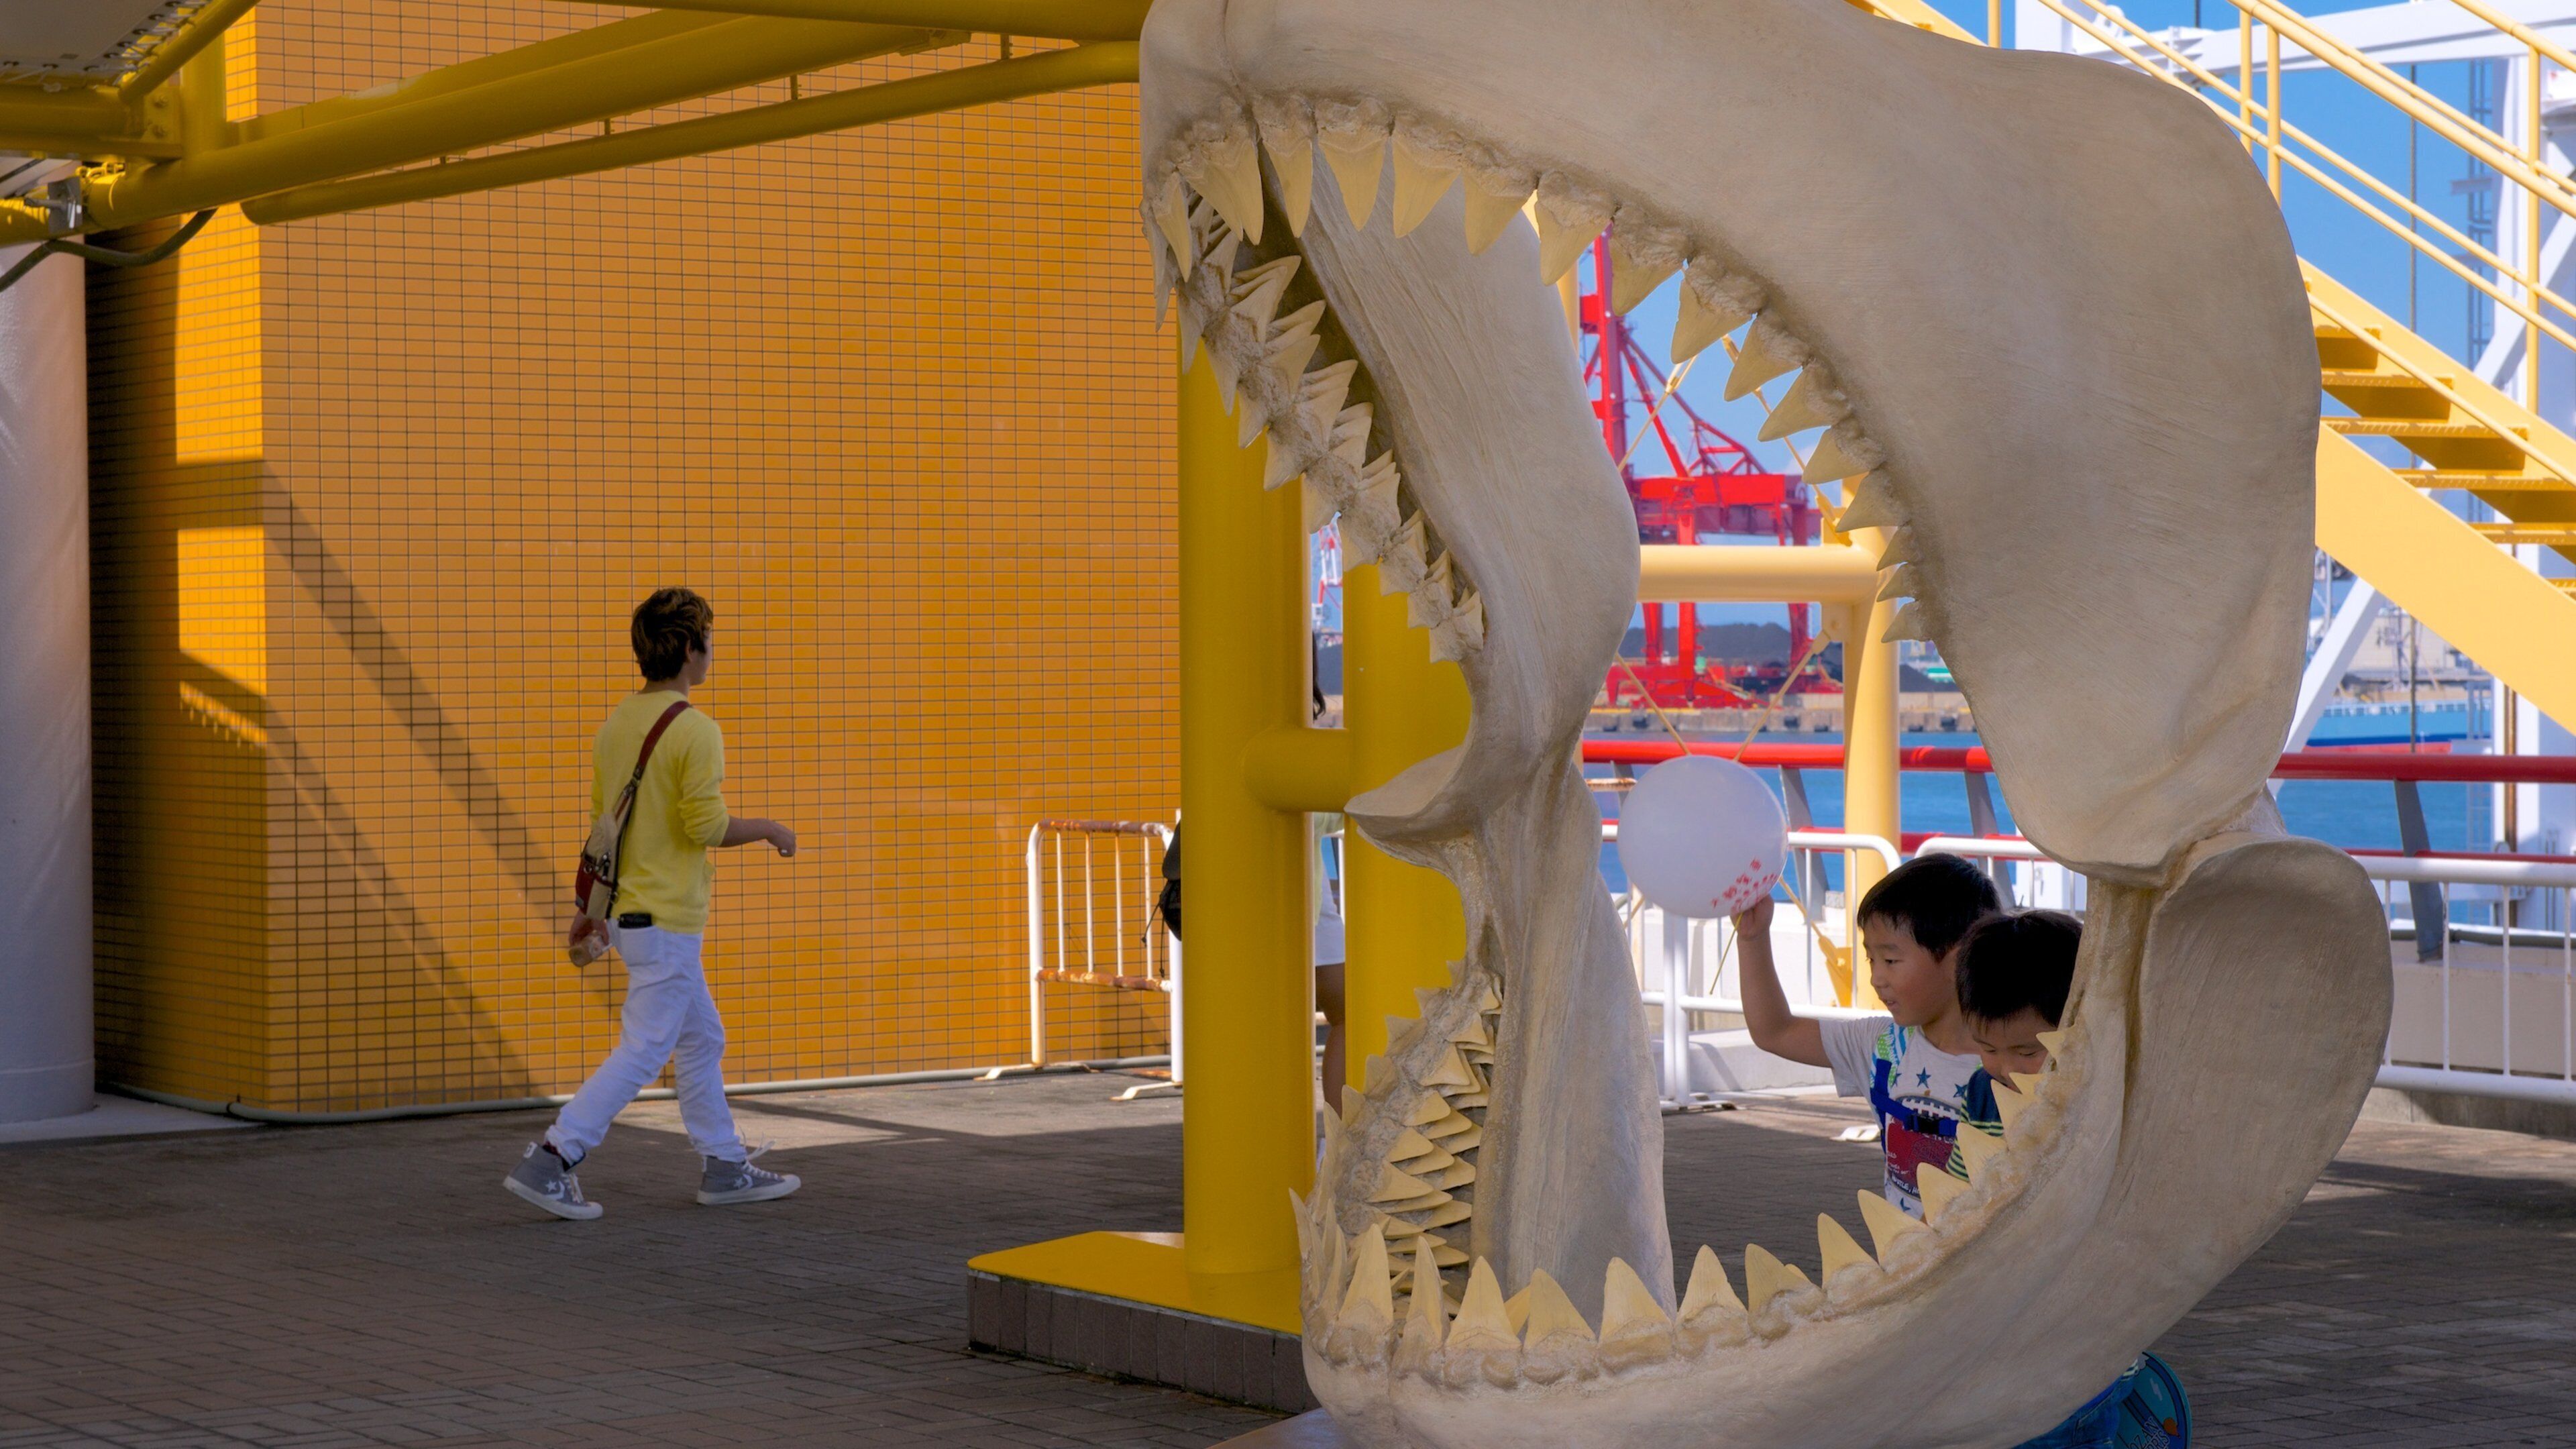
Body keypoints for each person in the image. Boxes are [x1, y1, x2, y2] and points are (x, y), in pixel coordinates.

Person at [504, 587, 803, 1221]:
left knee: (701, 1039)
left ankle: (724, 1166)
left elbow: (602, 827)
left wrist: (593, 908)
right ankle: (553, 1158)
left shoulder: (618, 724)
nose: (712, 651)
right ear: (691, 648)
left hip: (631, 916)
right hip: (666, 922)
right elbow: (707, 826)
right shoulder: (695, 731)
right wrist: (772, 829)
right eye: (709, 640)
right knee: (643, 1049)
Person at [1952, 910, 2194, 1449]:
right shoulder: (1980, 1092)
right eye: (1988, 1048)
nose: (2005, 1069)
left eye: (2027, 1051)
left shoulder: (2106, 1099)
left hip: (2084, 1353)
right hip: (1999, 1352)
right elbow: (1955, 1203)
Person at [1735, 853, 2002, 1216]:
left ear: (1960, 957)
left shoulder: (2015, 1062)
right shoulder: (1881, 1045)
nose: (1877, 978)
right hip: (1906, 1262)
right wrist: (1753, 937)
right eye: (1871, 960)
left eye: (1891, 961)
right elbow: (1775, 1031)